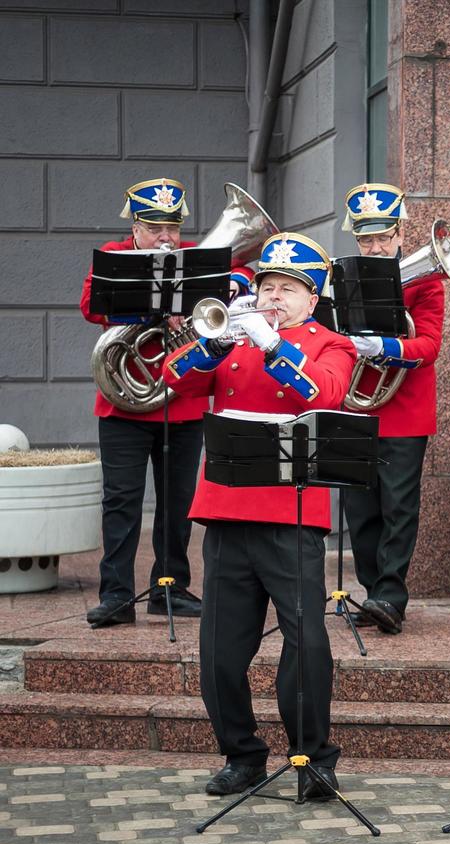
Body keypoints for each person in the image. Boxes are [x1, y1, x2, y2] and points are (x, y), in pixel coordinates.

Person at [163, 232, 358, 798]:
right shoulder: (235, 335)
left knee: (307, 644)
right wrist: (215, 342)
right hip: (225, 511)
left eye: (289, 290)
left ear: (312, 299)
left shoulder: (331, 344)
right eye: (268, 286)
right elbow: (175, 381)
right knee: (220, 651)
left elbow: (322, 396)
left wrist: (274, 344)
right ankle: (242, 754)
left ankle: (313, 759)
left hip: (291, 512)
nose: (275, 297)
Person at [79, 178, 254, 627]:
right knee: (122, 501)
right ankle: (116, 594)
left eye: (172, 227)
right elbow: (90, 306)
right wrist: (152, 310)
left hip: (183, 403)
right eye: (155, 227)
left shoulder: (196, 259)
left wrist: (226, 285)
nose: (166, 237)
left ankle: (170, 587)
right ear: (135, 226)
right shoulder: (115, 257)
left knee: (178, 503)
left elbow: (240, 278)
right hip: (125, 407)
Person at [337, 182, 444, 635]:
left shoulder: (426, 283)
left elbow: (430, 344)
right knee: (359, 509)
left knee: (399, 505)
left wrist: (386, 345)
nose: (375, 246)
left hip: (403, 411)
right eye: (366, 239)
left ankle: (392, 595)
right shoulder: (340, 276)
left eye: (383, 237)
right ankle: (371, 592)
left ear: (401, 233)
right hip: (356, 408)